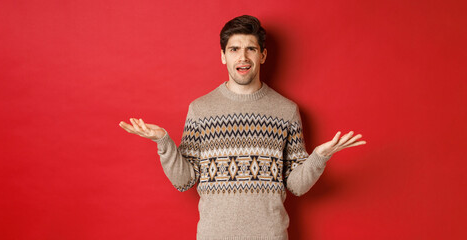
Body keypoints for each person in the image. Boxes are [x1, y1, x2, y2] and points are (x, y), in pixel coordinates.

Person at [119, 15, 366, 240]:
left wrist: (320, 157)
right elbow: (185, 180)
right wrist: (163, 141)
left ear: (263, 55)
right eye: (234, 49)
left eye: (251, 49)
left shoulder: (286, 110)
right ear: (223, 56)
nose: (243, 57)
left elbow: (296, 185)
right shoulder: (200, 109)